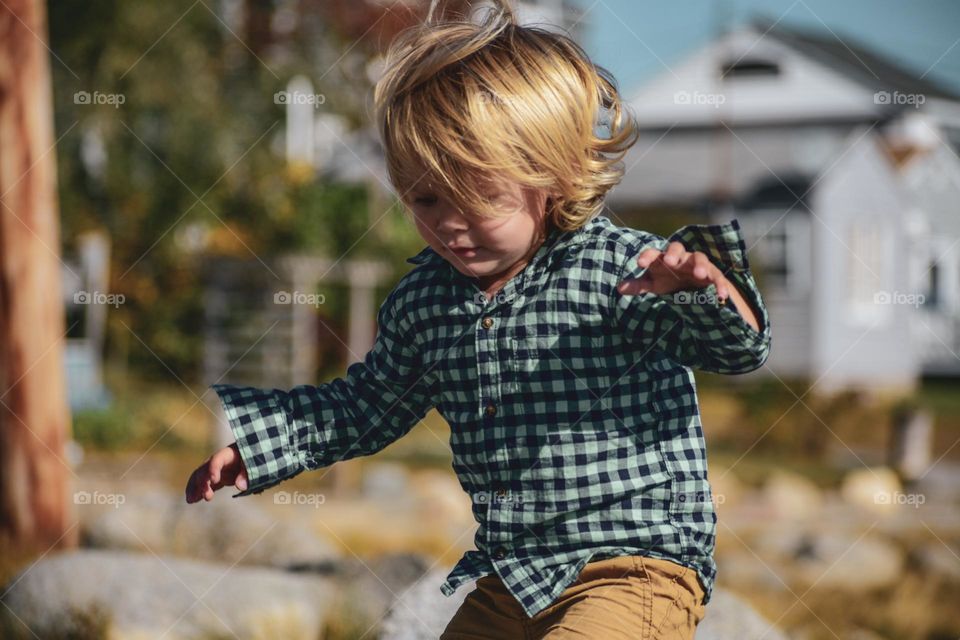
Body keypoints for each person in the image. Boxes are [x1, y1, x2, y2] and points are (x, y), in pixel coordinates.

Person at [185, 1, 772, 637]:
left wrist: (706, 294)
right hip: (514, 572)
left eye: (477, 198)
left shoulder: (620, 269)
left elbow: (738, 351)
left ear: (553, 176)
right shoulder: (425, 303)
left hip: (634, 566)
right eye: (425, 199)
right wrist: (264, 448)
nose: (447, 222)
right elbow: (366, 406)